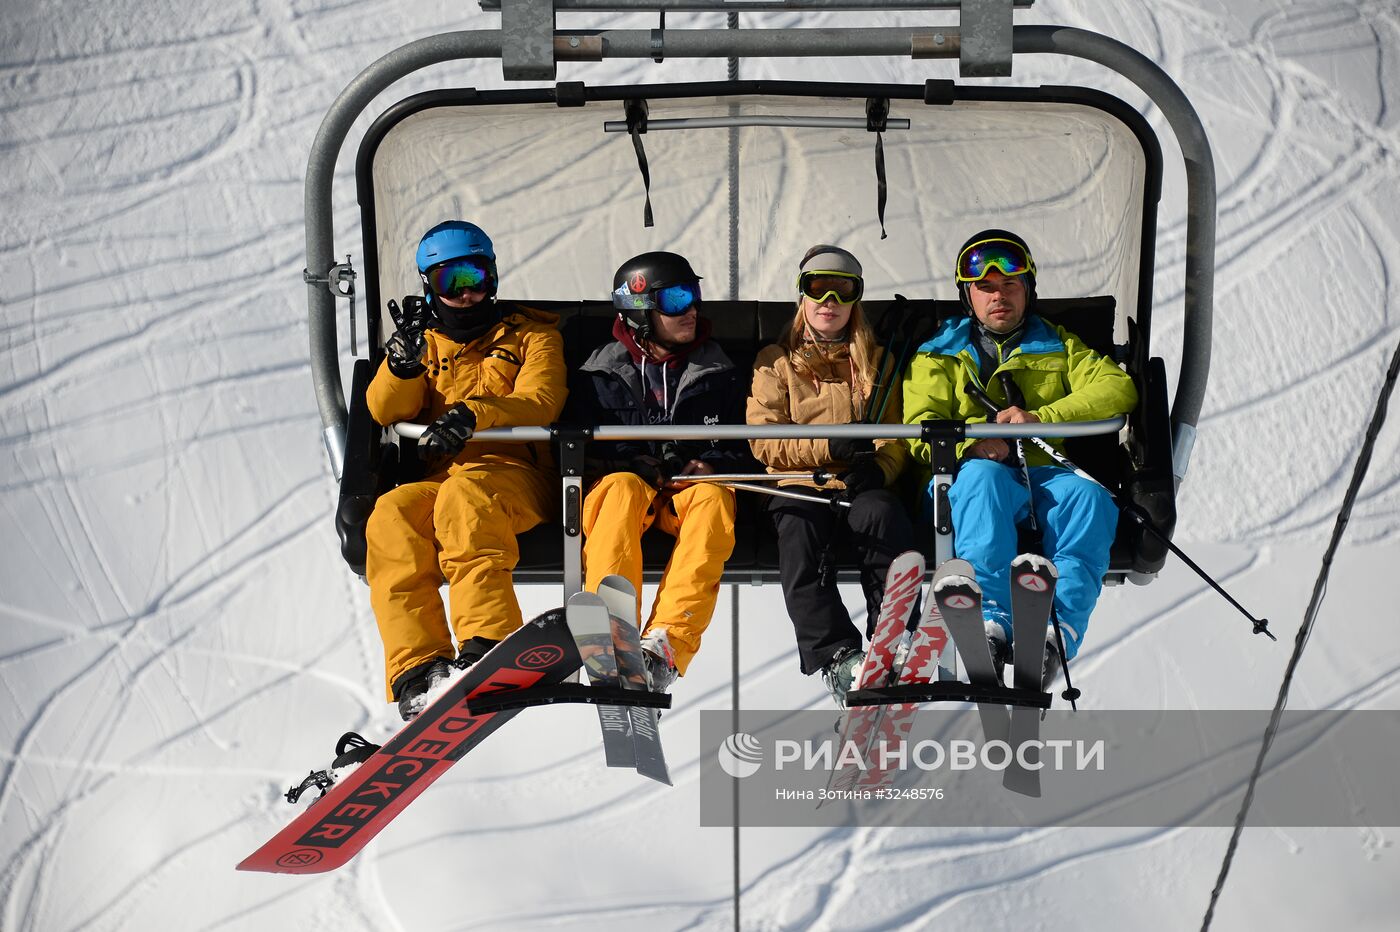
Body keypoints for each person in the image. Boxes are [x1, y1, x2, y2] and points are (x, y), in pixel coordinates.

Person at [904, 229, 1138, 679]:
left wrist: (1043, 417)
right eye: (986, 288)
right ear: (967, 296)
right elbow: (918, 427)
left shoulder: (1057, 344)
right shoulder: (938, 354)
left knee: (1089, 499)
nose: (999, 297)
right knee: (985, 481)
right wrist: (971, 445)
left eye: (1010, 286)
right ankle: (990, 620)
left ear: (1028, 290)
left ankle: (1058, 630)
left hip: (1042, 472)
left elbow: (1118, 387)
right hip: (965, 477)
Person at [364, 220, 566, 720]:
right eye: (449, 282)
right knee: (392, 513)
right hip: (444, 479)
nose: (466, 293)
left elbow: (541, 399)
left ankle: (488, 646)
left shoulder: (531, 336)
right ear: (427, 286)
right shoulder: (424, 344)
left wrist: (476, 414)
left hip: (517, 476)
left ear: (494, 277)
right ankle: (420, 668)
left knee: (467, 501)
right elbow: (383, 411)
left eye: (475, 276)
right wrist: (402, 367)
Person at [567, 252, 753, 691]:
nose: (690, 310)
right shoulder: (598, 375)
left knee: (713, 496)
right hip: (625, 494)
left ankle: (664, 645)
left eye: (694, 296)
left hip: (684, 495)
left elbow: (751, 447)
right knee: (620, 488)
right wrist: (628, 461)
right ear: (639, 311)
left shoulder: (720, 372)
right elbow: (573, 452)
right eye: (674, 300)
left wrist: (712, 465)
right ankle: (614, 635)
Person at [747, 244, 915, 708]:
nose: (829, 302)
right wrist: (827, 444)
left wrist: (880, 469)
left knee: (883, 515)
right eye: (816, 289)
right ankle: (837, 656)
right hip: (801, 483)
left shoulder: (877, 363)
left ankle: (893, 636)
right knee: (798, 536)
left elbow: (895, 436)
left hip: (859, 484)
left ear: (856, 300)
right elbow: (764, 440)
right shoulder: (776, 361)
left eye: (843, 292)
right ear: (801, 295)